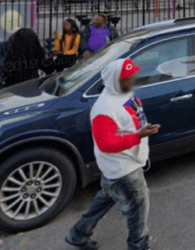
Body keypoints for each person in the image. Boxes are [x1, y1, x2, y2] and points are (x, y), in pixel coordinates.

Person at [66, 58, 159, 250]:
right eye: (126, 78)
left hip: (122, 165)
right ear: (114, 81)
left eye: (132, 75)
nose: (132, 79)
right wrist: (138, 136)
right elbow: (105, 144)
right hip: (123, 168)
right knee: (138, 207)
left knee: (106, 197)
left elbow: (130, 117)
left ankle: (77, 235)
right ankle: (138, 246)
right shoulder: (104, 109)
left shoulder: (124, 93)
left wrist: (142, 129)